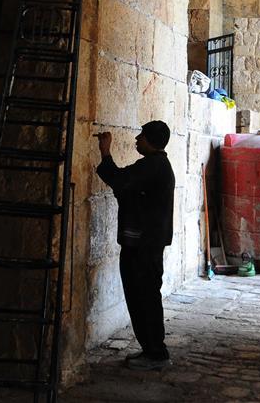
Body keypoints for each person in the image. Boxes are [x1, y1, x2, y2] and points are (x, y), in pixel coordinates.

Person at [94, 121, 175, 371]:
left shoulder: (153, 165)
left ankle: (155, 353)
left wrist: (105, 152)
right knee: (145, 296)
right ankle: (152, 350)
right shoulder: (157, 165)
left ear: (150, 140)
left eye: (141, 136)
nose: (137, 140)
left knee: (144, 297)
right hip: (147, 243)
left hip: (144, 245)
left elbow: (120, 181)